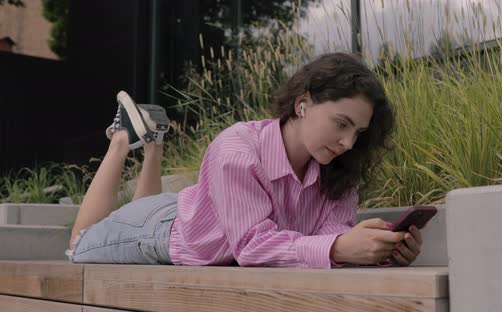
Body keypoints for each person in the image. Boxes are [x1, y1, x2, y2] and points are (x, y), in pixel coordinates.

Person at [67, 52, 423, 269]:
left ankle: (153, 143)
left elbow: (332, 237)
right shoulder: (237, 150)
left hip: (200, 207)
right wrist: (340, 247)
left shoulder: (341, 167)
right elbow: (252, 245)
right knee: (79, 244)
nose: (348, 143)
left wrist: (382, 249)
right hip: (162, 231)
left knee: (143, 206)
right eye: (341, 124)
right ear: (303, 103)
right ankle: (121, 139)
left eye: (358, 133)